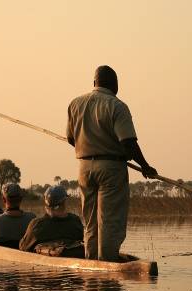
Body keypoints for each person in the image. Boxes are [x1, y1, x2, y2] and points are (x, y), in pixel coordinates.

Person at [66, 65, 158, 261]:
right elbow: (128, 142)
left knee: (90, 221)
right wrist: (145, 166)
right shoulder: (117, 106)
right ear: (115, 85)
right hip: (110, 167)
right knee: (109, 221)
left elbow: (70, 139)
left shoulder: (75, 104)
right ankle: (107, 263)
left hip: (84, 167)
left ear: (94, 83)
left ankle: (91, 263)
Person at [19, 185, 84, 257]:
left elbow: (23, 247)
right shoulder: (75, 221)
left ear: (46, 203)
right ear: (64, 202)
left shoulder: (37, 225)